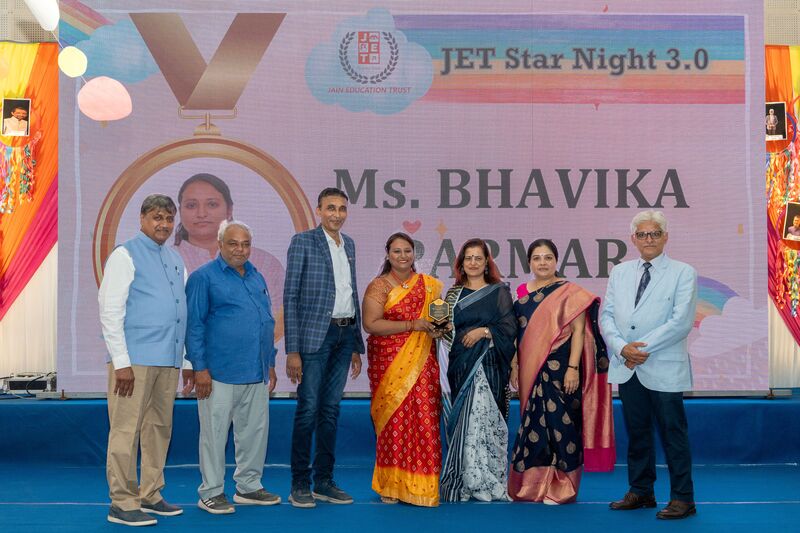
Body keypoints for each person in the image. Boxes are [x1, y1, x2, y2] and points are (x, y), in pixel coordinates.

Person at [98, 194, 192, 527]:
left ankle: (150, 493)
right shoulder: (124, 255)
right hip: (132, 363)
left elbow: (182, 313)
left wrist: (187, 362)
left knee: (159, 429)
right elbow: (110, 310)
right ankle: (122, 502)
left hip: (168, 361)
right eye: (156, 217)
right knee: (125, 431)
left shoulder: (175, 259)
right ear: (142, 219)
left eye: (168, 218)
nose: (163, 224)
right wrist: (121, 362)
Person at [600, 211, 698, 520]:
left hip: (663, 364)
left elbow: (680, 322)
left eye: (655, 233)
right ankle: (641, 490)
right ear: (633, 239)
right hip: (628, 365)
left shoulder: (683, 272)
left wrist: (640, 350)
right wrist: (622, 348)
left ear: (665, 237)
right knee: (637, 432)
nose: (649, 239)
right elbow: (607, 316)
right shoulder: (620, 272)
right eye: (642, 234)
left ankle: (683, 498)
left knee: (673, 434)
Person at [508, 239, 615, 505]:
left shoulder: (570, 293)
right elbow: (517, 333)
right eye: (536, 258)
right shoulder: (521, 292)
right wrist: (514, 365)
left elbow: (578, 332)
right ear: (529, 262)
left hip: (561, 370)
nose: (542, 263)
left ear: (556, 261)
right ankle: (532, 487)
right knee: (533, 427)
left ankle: (563, 487)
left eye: (548, 257)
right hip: (530, 369)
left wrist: (573, 369)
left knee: (563, 426)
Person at [185, 220, 280, 515]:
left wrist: (270, 362)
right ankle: (211, 492)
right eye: (233, 243)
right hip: (218, 374)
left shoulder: (256, 275)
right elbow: (194, 326)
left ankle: (248, 487)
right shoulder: (203, 278)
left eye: (246, 244)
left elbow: (266, 320)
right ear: (220, 244)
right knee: (214, 436)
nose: (240, 249)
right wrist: (200, 369)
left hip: (256, 371)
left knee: (254, 434)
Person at [284, 187, 364, 508]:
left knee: (331, 410)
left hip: (345, 336)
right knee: (308, 409)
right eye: (331, 208)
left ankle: (324, 481)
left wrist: (355, 343)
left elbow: (350, 292)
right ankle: (299, 483)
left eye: (342, 209)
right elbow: (290, 296)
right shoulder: (303, 241)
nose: (337, 214)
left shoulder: (350, 244)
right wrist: (292, 350)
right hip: (315, 338)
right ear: (318, 210)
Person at [362, 233, 444, 506]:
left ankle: (423, 486)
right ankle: (391, 485)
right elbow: (371, 324)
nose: (402, 256)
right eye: (396, 251)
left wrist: (436, 329)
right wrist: (411, 325)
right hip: (388, 363)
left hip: (422, 361)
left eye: (407, 251)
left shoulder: (429, 286)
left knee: (424, 418)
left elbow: (438, 320)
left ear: (414, 253)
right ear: (388, 254)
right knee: (393, 421)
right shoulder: (379, 285)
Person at [439, 239, 517, 502]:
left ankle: (490, 478)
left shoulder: (499, 291)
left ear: (486, 263)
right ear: (461, 264)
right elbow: (446, 330)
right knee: (466, 424)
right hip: (461, 365)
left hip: (490, 364)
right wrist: (440, 329)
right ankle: (467, 479)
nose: (473, 262)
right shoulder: (452, 295)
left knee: (487, 422)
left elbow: (509, 327)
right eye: (468, 258)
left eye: (478, 258)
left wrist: (483, 332)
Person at [174, 173, 285, 337]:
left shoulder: (265, 263)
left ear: (229, 210)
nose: (201, 213)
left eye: (212, 204)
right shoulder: (168, 259)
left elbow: (277, 323)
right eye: (191, 205)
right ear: (180, 211)